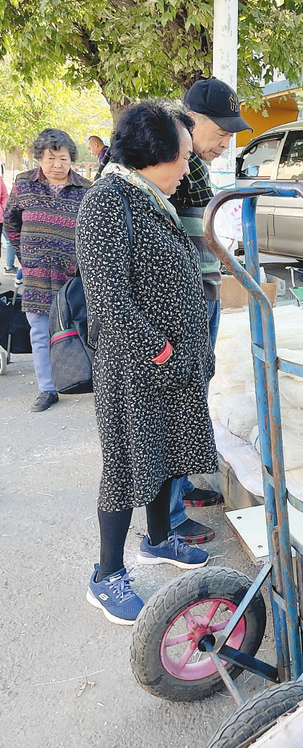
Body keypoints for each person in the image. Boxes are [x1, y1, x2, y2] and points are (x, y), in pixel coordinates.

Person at [76, 99, 218, 625]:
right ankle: (106, 575)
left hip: (169, 366)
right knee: (124, 466)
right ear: (151, 156)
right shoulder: (107, 202)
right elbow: (109, 296)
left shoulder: (146, 195)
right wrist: (160, 348)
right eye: (181, 158)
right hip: (135, 368)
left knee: (164, 457)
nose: (187, 168)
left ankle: (159, 540)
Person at [165, 77, 252, 544]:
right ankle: (169, 517)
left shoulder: (194, 163)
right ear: (192, 120)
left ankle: (179, 491)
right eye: (220, 131)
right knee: (178, 401)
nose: (226, 142)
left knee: (195, 393)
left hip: (204, 292)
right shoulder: (169, 160)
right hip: (183, 301)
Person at [3, 129, 90, 411]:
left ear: (71, 159)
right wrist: (24, 256)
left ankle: (83, 378)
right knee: (39, 331)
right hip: (37, 274)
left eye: (63, 159)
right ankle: (48, 389)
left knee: (78, 328)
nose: (57, 165)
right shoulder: (24, 184)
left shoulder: (85, 189)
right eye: (50, 158)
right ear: (39, 157)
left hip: (72, 275)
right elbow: (10, 223)